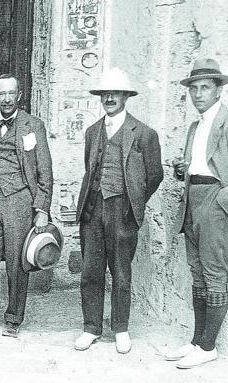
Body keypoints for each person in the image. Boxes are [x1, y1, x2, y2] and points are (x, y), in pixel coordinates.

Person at [74, 67, 163, 353]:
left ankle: (121, 329)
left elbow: (155, 175)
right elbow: (91, 170)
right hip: (92, 210)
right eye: (105, 94)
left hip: (122, 211)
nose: (110, 98)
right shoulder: (91, 132)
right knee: (90, 271)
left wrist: (132, 200)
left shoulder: (144, 134)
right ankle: (91, 328)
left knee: (121, 272)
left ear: (126, 96)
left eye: (115, 93)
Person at [0, 73, 53, 338]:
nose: (5, 99)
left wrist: (42, 208)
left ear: (19, 95)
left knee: (17, 263)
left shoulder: (33, 125)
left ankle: (14, 318)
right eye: (1, 94)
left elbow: (45, 169)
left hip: (19, 200)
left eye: (10, 93)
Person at [166, 58, 228, 368]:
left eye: (205, 88)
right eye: (194, 89)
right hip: (192, 198)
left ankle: (209, 346)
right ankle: (196, 341)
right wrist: (183, 170)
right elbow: (198, 166)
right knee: (198, 272)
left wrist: (222, 200)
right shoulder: (195, 125)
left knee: (215, 272)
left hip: (216, 200)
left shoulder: (227, 121)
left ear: (218, 91)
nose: (198, 94)